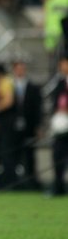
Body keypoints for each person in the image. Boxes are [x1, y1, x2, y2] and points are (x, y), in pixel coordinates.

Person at [11, 59, 42, 190]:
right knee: (13, 154)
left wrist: (38, 126)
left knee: (30, 154)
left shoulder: (33, 87)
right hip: (12, 127)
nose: (20, 71)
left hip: (29, 125)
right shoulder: (9, 86)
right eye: (18, 68)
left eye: (22, 68)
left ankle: (31, 182)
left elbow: (37, 108)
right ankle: (14, 182)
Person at [49, 54, 68, 196]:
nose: (63, 67)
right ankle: (58, 187)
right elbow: (55, 103)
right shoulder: (59, 83)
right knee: (58, 157)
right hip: (61, 128)